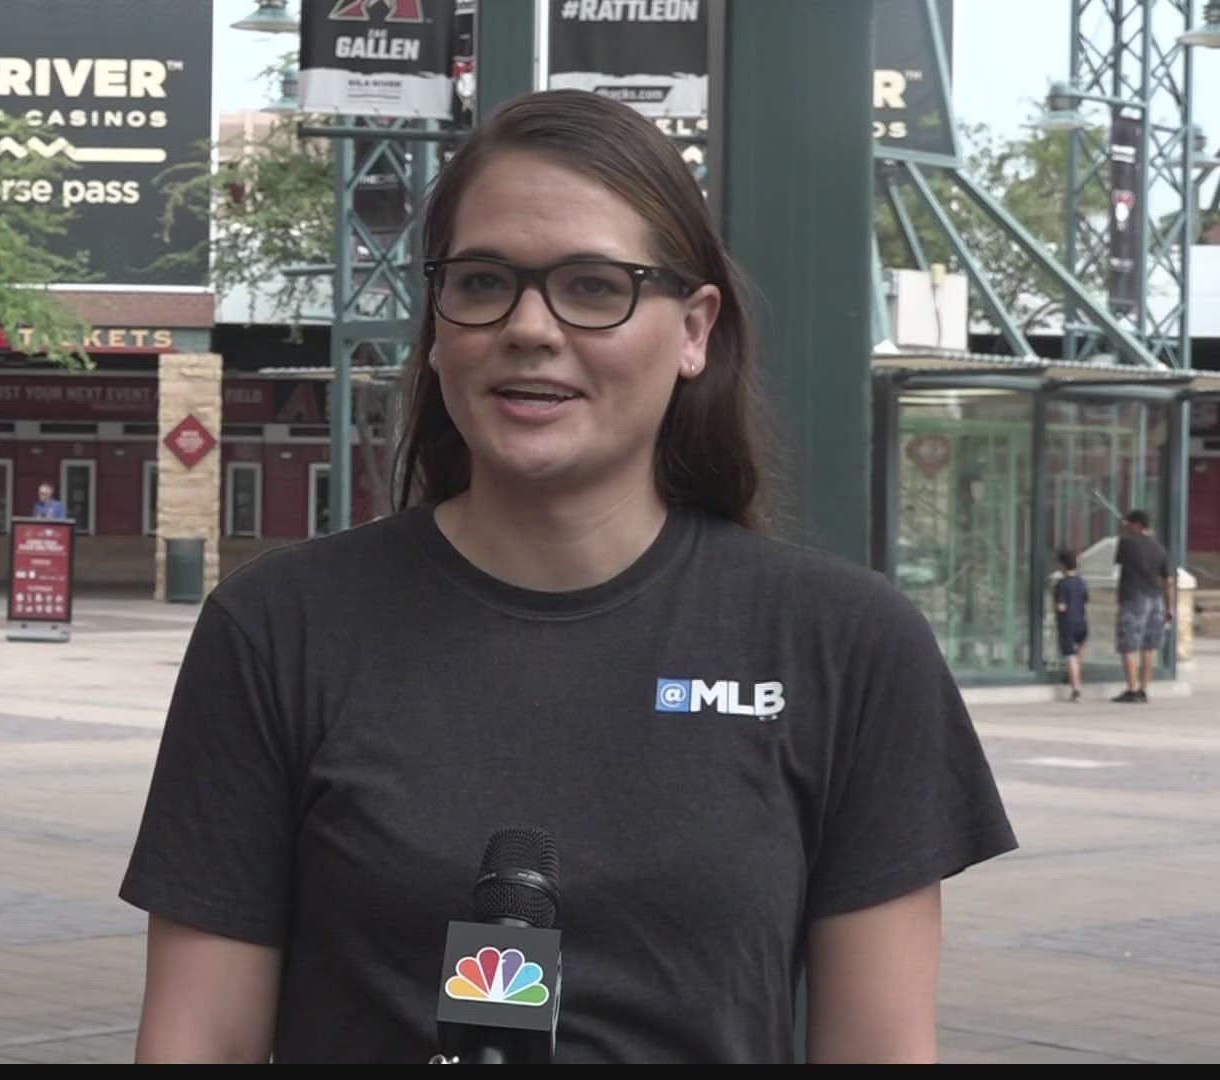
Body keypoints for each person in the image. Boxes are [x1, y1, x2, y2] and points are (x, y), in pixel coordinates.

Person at [116, 89, 1017, 1065]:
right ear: (436, 320)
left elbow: (881, 1049)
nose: (530, 327)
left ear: (693, 329)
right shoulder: (277, 630)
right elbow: (197, 1039)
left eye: (593, 286)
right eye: (483, 281)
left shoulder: (845, 646)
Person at [1112, 509, 1174, 704]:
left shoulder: (1126, 543)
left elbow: (1118, 561)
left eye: (1129, 523)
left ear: (1138, 525)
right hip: (1155, 599)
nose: (1126, 526)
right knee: (1148, 647)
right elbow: (1168, 580)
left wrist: (1123, 531)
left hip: (1133, 597)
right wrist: (1169, 607)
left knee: (1128, 646)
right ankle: (1143, 689)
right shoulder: (1160, 549)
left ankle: (1131, 689)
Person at [1052, 548, 1088, 702]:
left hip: (1067, 623)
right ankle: (1075, 676)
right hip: (1082, 622)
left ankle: (1076, 689)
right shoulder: (1081, 582)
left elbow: (1061, 606)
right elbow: (1085, 602)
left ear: (1062, 565)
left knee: (1070, 656)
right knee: (1078, 652)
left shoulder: (1062, 584)